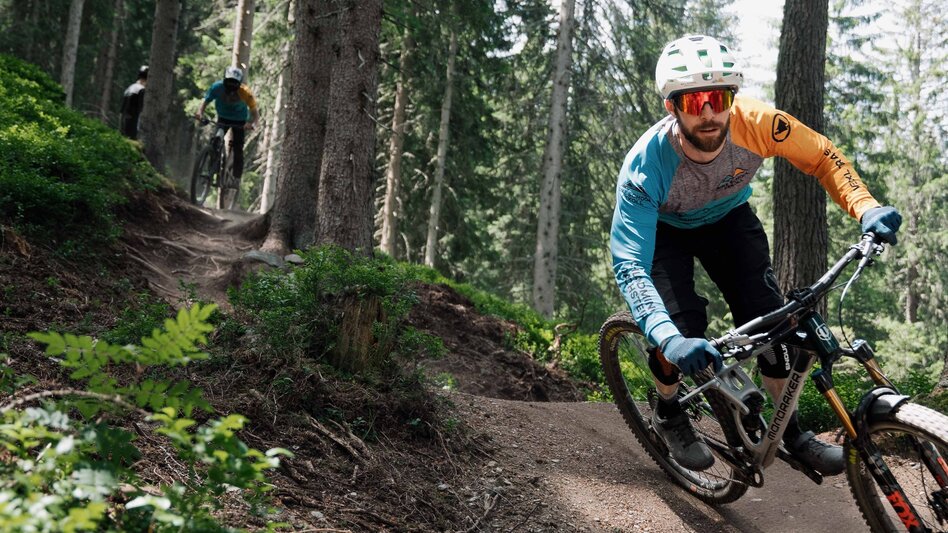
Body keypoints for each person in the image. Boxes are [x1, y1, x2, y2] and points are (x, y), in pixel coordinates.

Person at [609, 35, 902, 474]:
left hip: (729, 219)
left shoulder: (759, 123)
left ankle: (793, 433)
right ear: (672, 107)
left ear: (732, 98)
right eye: (693, 101)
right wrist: (670, 339)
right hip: (666, 233)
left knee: (773, 321)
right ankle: (669, 411)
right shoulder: (645, 167)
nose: (708, 112)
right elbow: (631, 264)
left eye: (719, 97)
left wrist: (866, 206)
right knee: (681, 328)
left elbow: (821, 156)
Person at [194, 66, 259, 183]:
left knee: (238, 149)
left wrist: (252, 124)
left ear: (239, 83)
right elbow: (206, 101)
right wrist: (199, 112)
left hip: (240, 121)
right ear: (224, 80)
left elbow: (255, 113)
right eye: (229, 82)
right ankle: (212, 170)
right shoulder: (217, 87)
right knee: (215, 141)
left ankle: (236, 177)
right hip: (223, 117)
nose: (231, 85)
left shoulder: (246, 92)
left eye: (234, 83)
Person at [119, 65, 148, 139]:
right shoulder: (142, 90)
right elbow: (140, 112)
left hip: (123, 125)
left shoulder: (129, 88)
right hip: (133, 127)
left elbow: (121, 111)